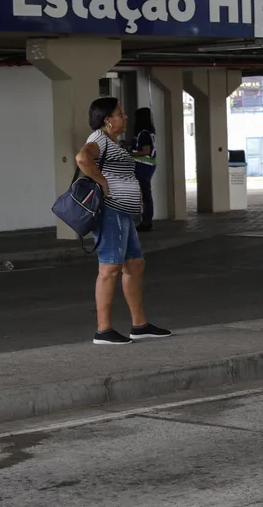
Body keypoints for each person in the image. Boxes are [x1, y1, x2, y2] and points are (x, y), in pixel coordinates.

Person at [75, 97, 171, 345]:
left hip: (124, 213)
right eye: (120, 113)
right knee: (109, 269)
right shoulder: (98, 139)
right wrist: (102, 182)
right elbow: (82, 158)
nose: (125, 117)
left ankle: (140, 325)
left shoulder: (113, 141)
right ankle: (103, 330)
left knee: (135, 265)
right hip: (110, 212)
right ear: (107, 119)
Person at [130, 107, 157, 233]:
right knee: (145, 194)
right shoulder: (149, 132)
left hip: (143, 166)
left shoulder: (144, 133)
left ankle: (146, 222)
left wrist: (130, 153)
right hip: (148, 165)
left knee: (145, 195)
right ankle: (146, 221)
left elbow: (145, 151)